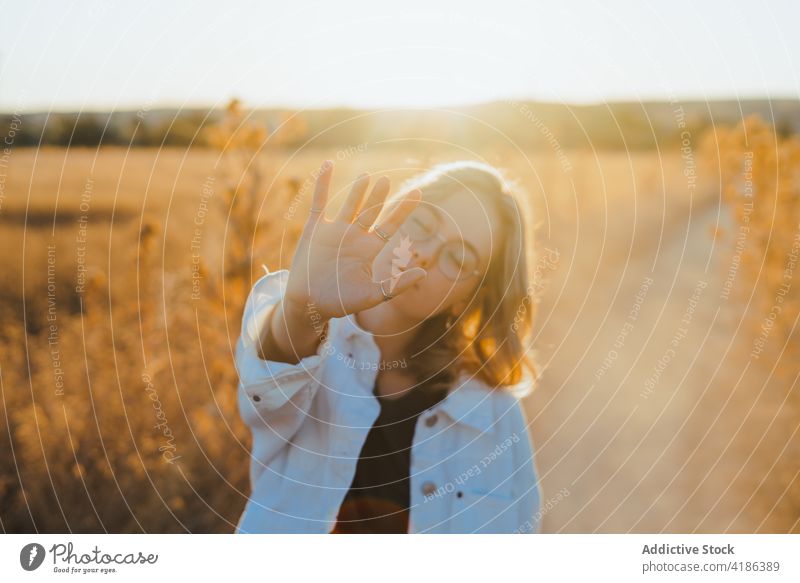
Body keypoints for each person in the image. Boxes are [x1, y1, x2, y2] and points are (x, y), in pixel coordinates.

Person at [234, 159, 543, 533]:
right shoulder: (312, 347)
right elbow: (267, 385)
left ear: (471, 297)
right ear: (398, 215)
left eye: (459, 258)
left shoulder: (493, 415)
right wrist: (301, 310)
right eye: (424, 224)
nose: (425, 252)